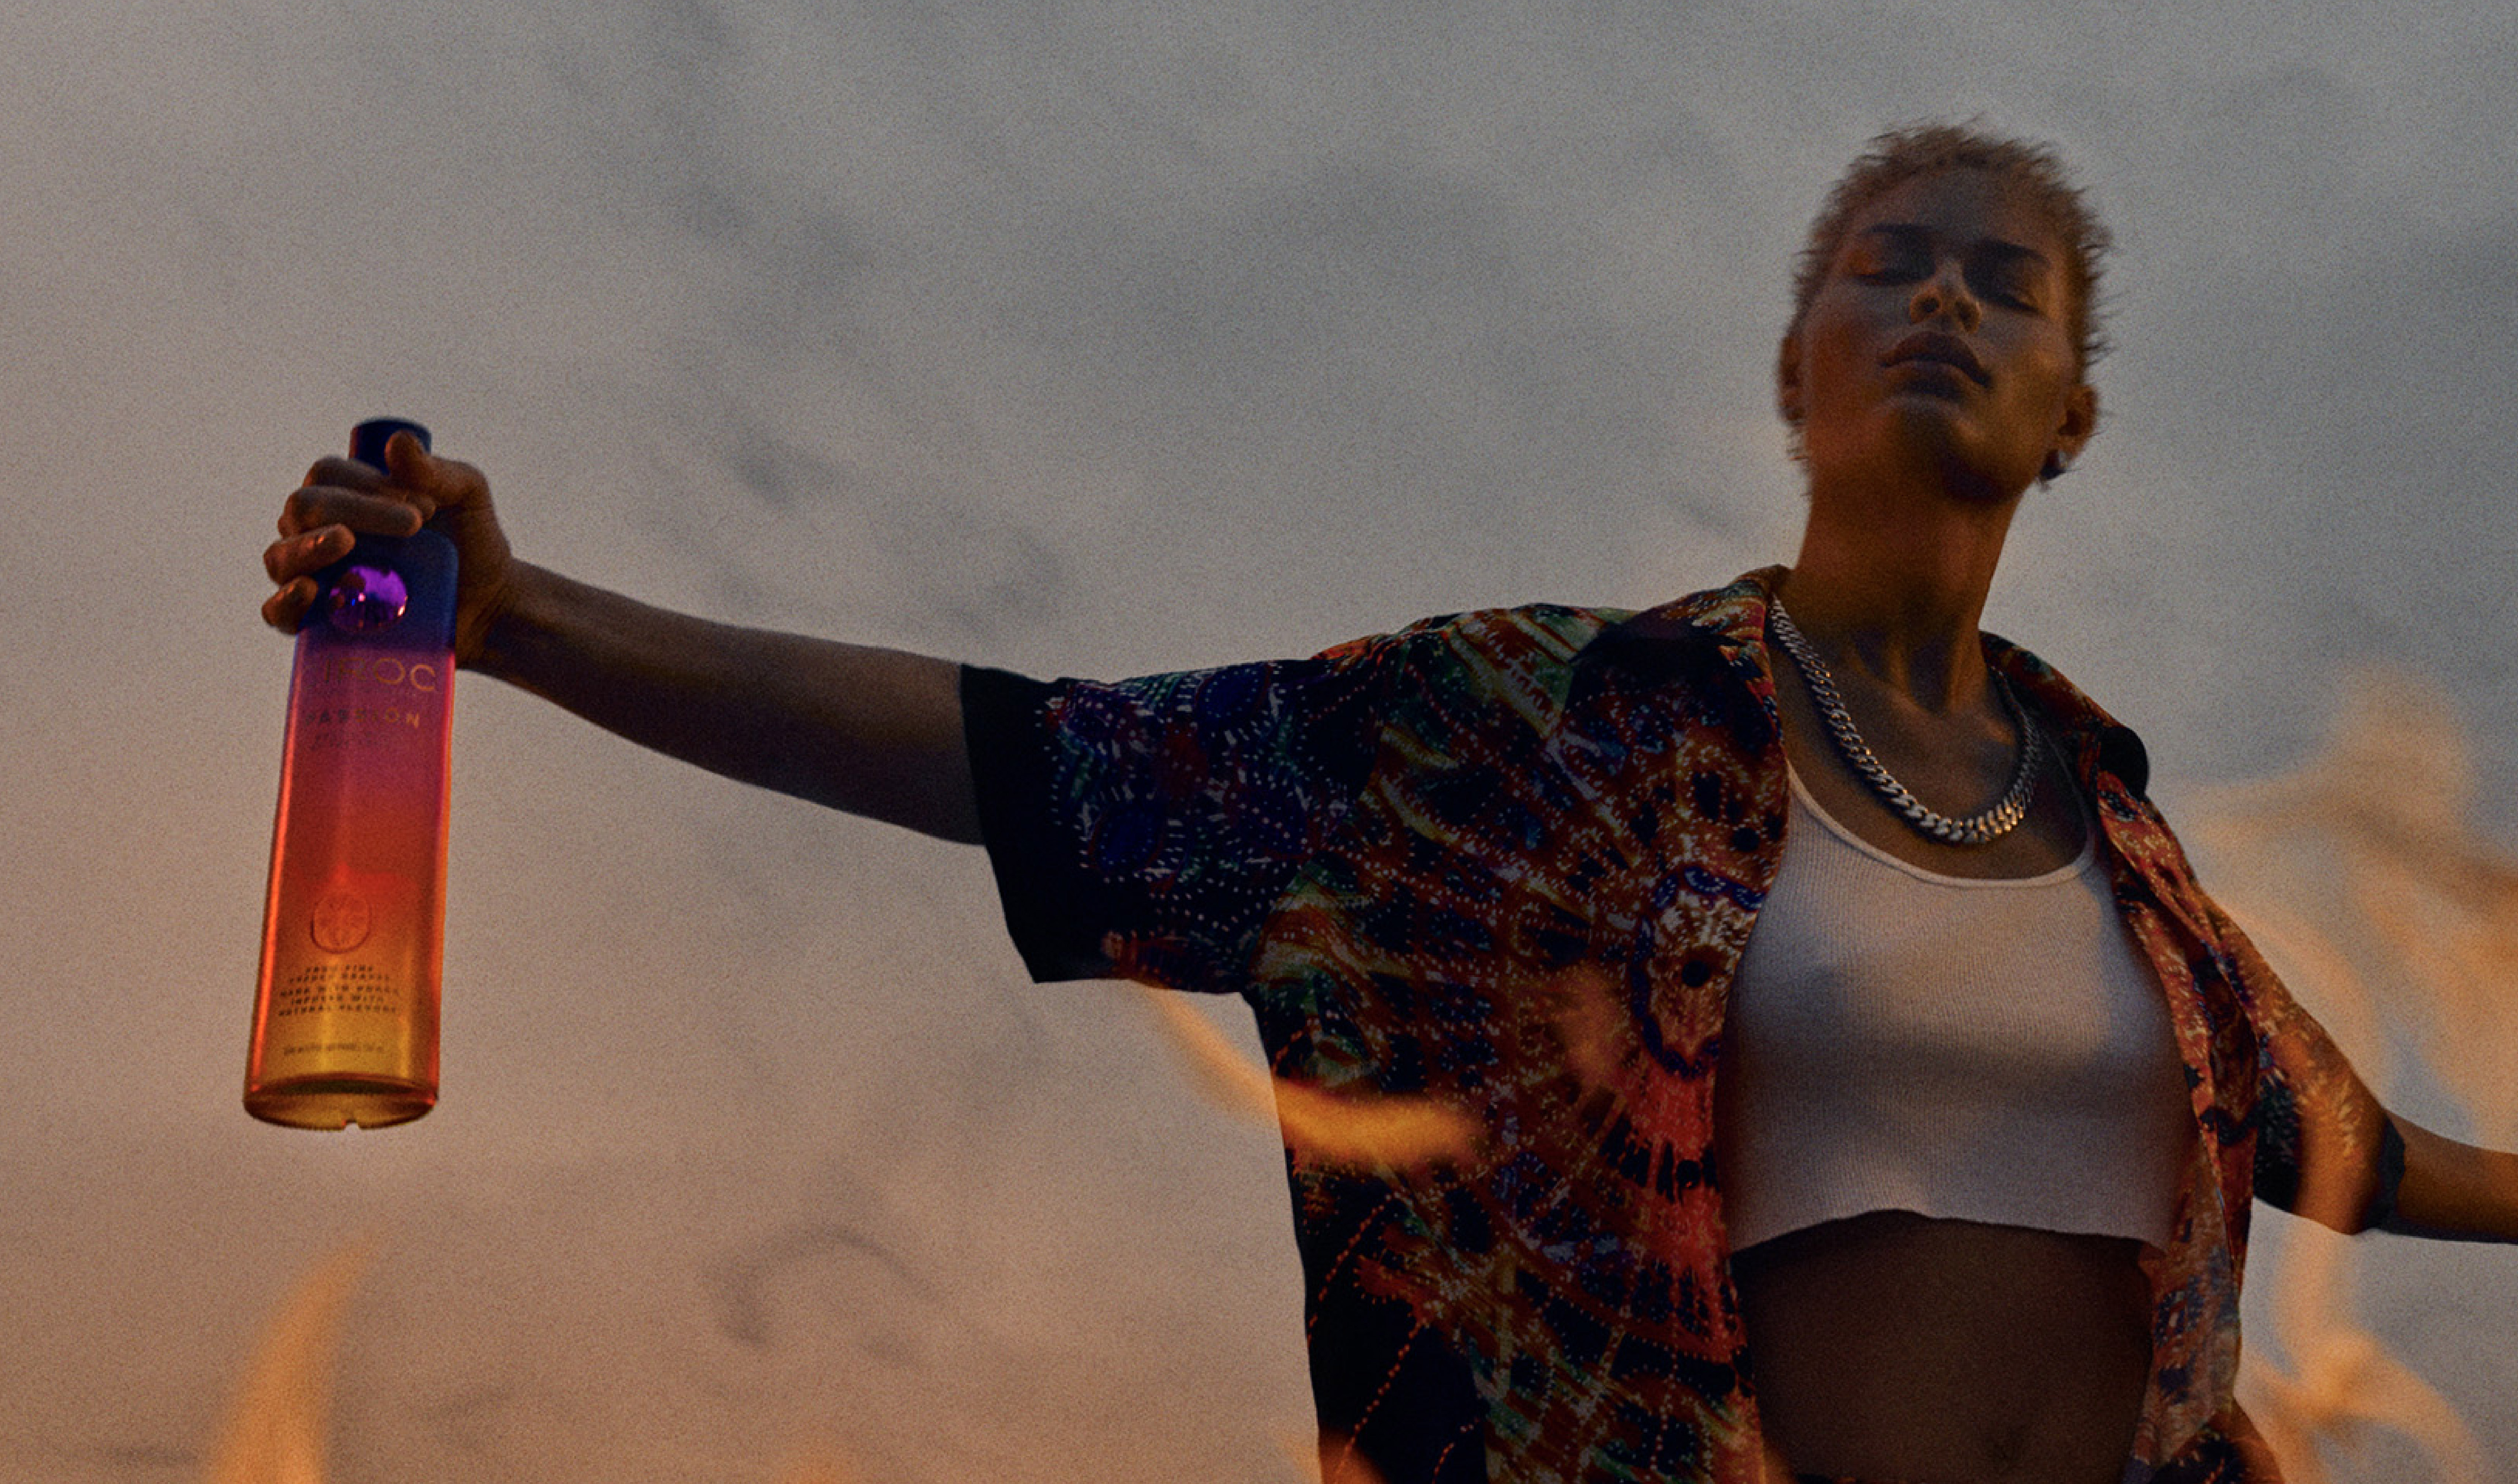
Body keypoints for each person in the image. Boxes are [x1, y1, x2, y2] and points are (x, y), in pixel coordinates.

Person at [261, 123, 2518, 1484]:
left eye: (2002, 281)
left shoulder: (2120, 840)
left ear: (2071, 410)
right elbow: (1030, 754)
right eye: (1885, 262)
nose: (1941, 296)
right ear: (1791, 367)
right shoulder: (1532, 732)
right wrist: (525, 621)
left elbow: (2336, 1141)